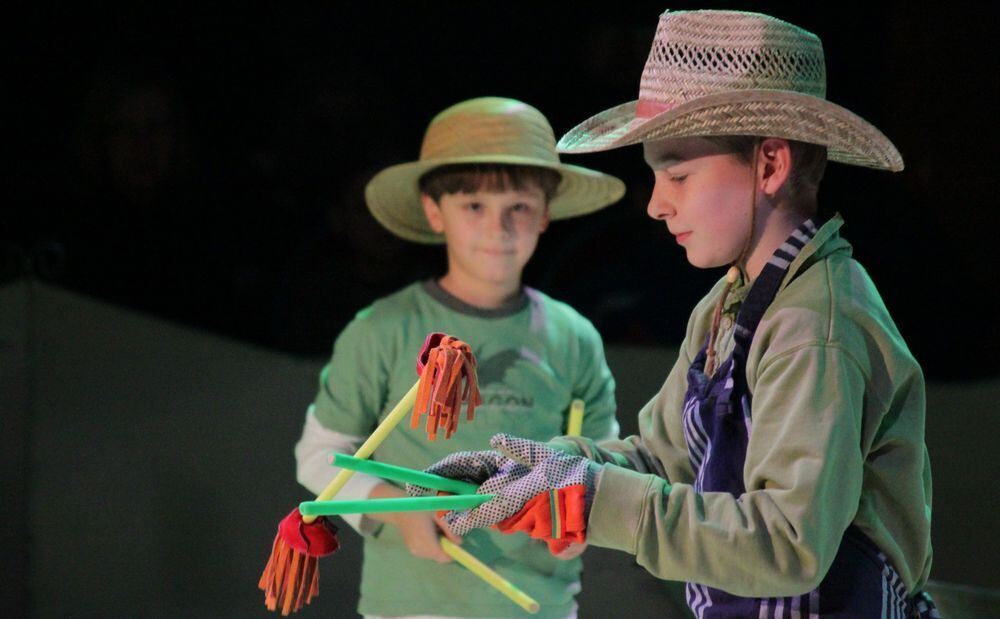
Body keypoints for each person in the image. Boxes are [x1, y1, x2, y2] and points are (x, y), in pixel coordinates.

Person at [414, 11, 938, 618]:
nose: (657, 205)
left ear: (770, 164)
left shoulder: (813, 325)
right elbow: (665, 461)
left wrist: (592, 499)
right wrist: (542, 466)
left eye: (678, 175)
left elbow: (788, 545)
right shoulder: (728, 305)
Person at [294, 96, 626, 618]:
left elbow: (605, 465)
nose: (499, 228)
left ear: (545, 214)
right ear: (434, 210)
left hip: (540, 604)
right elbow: (319, 455)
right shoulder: (381, 329)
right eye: (474, 206)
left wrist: (583, 514)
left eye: (518, 206)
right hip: (410, 605)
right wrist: (399, 511)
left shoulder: (574, 337)